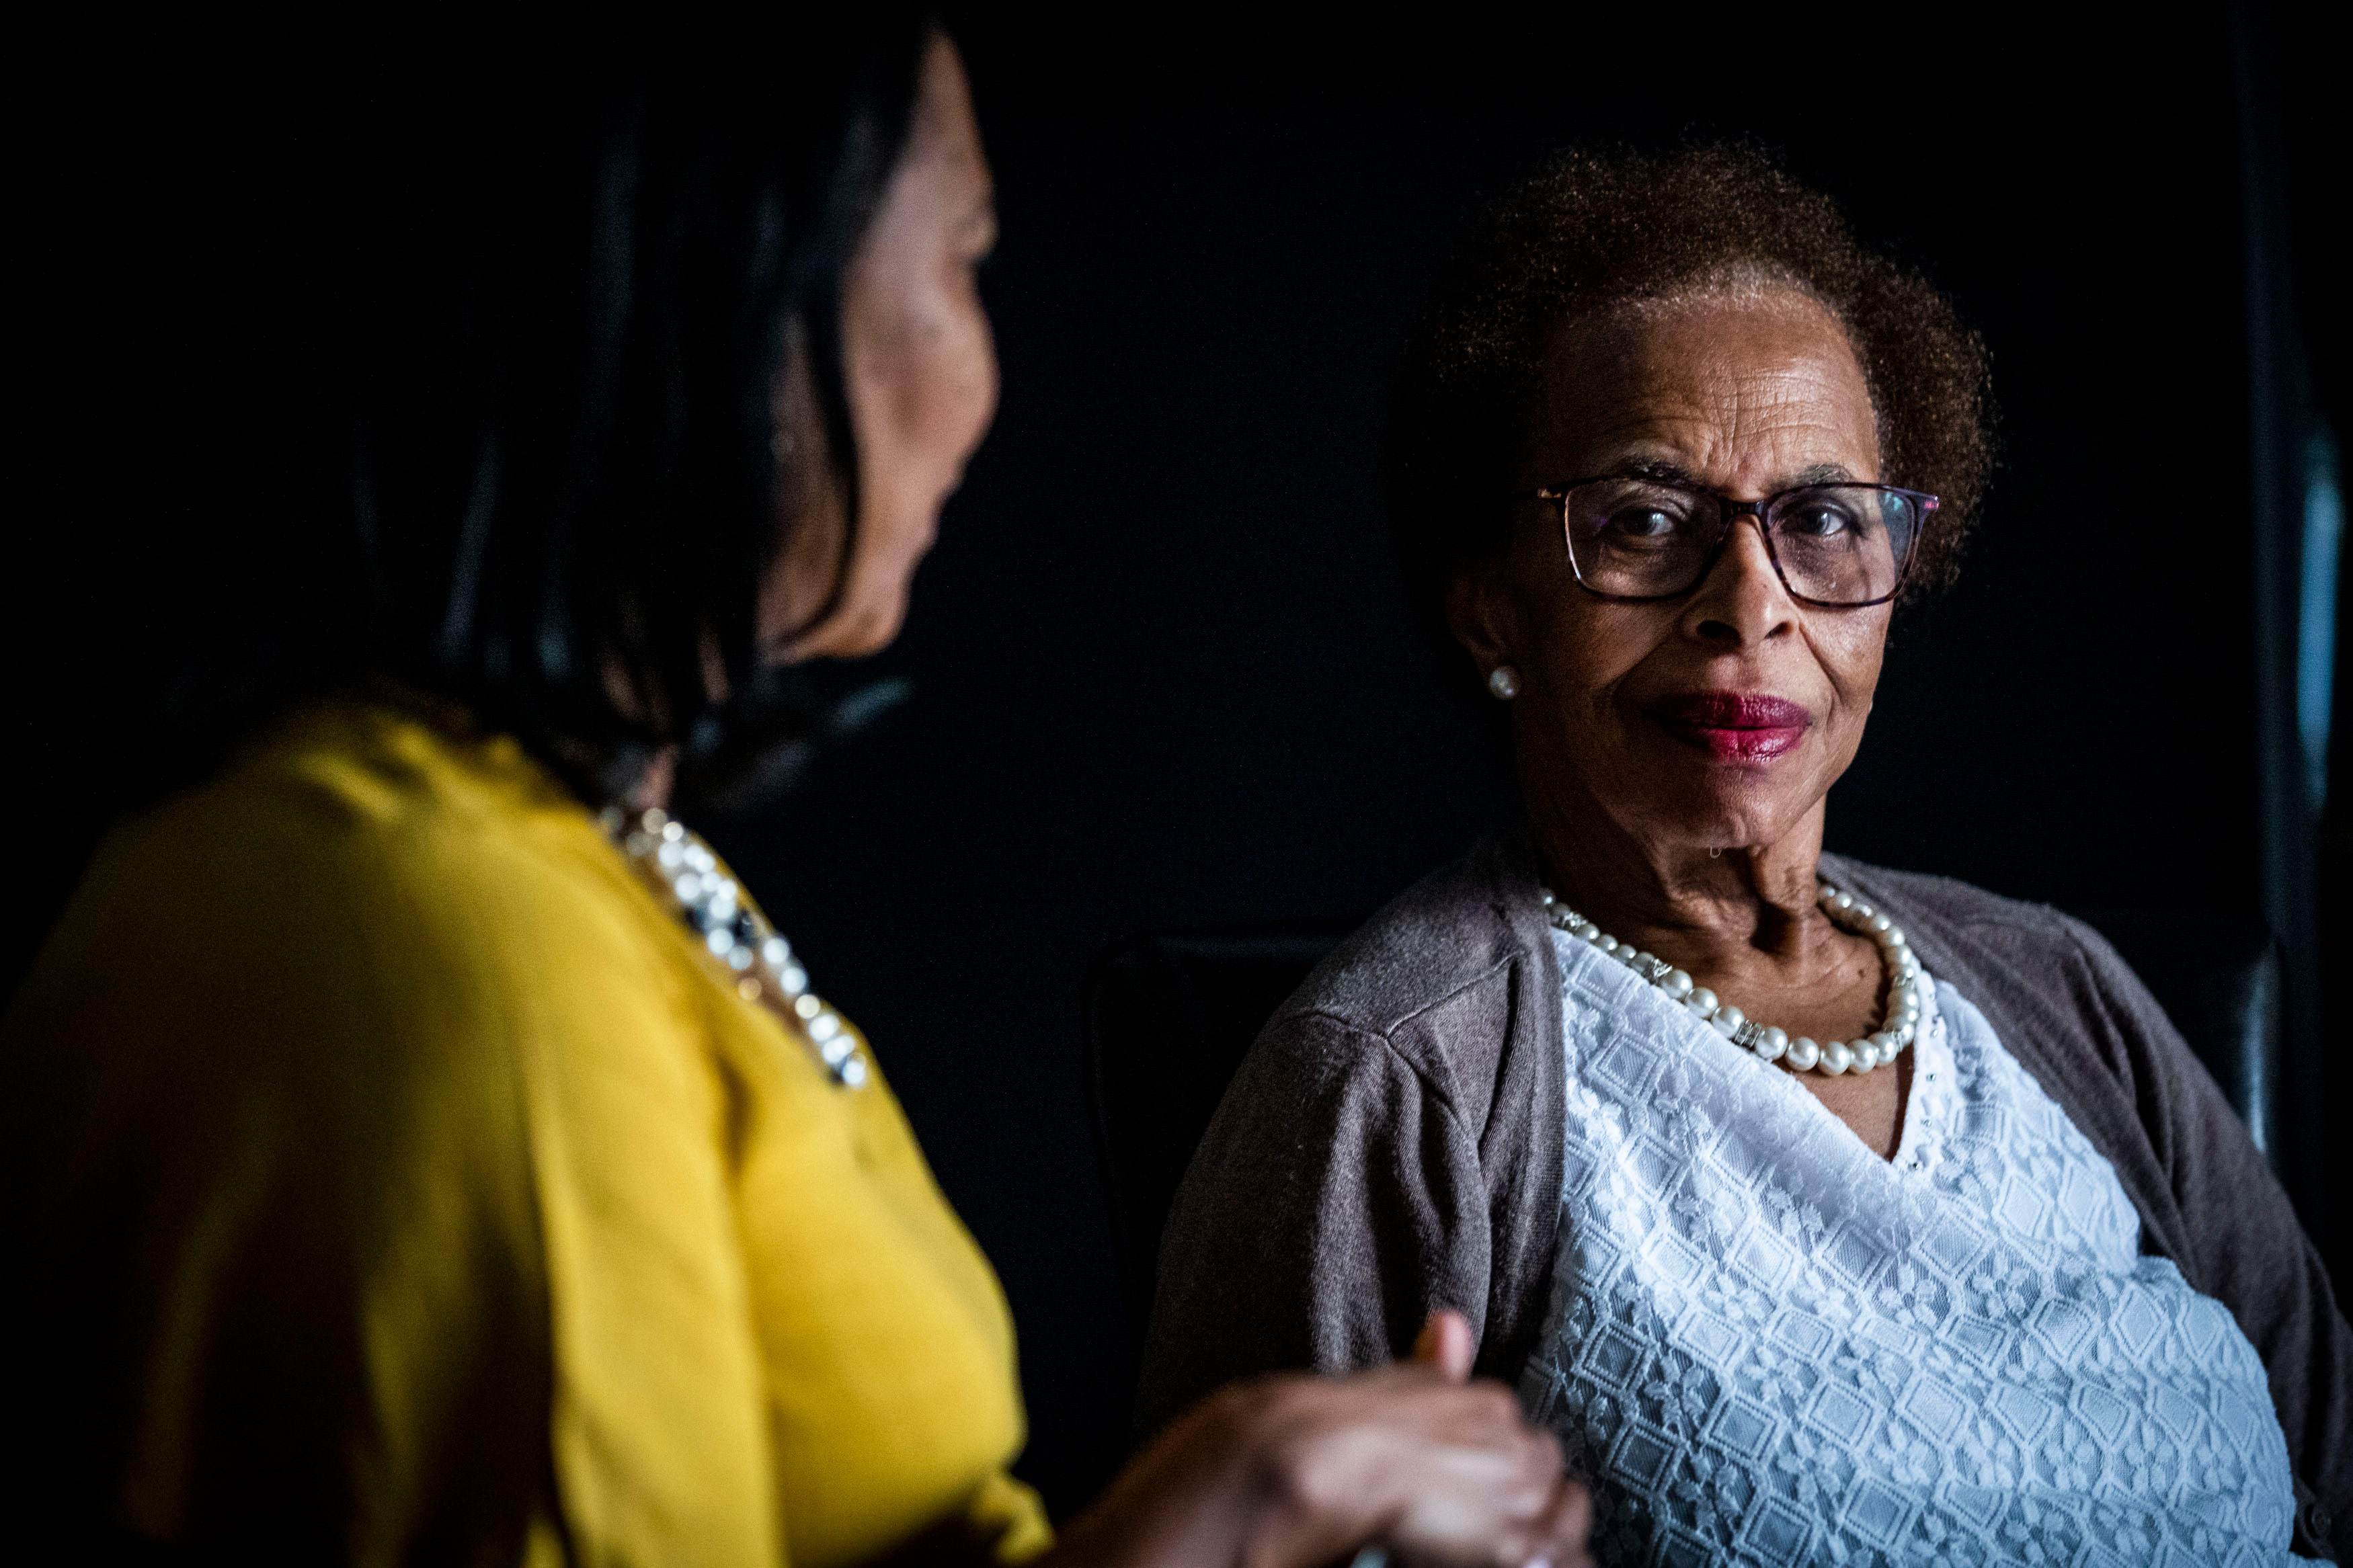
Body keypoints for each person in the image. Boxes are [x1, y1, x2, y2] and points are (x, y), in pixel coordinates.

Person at [0, 21, 1592, 1566]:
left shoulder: (568, 861)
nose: (984, 368)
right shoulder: (456, 946)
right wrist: (1245, 1502)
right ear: (725, 302)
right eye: (960, 260)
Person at [1138, 147, 2350, 1564]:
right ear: (1490, 609)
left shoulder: (2061, 994)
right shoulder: (1397, 1080)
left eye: (1823, 520)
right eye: (1646, 522)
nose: (1749, 606)